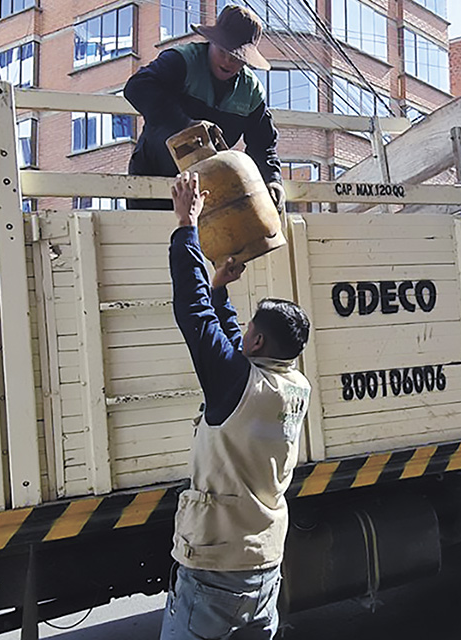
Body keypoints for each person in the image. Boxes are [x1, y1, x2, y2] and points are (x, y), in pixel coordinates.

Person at [161, 172, 311, 640]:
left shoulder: (238, 382)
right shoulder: (293, 386)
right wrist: (221, 288)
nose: (239, 333)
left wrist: (187, 226)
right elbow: (231, 347)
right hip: (263, 561)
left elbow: (193, 312)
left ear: (259, 340)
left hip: (215, 568)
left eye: (247, 328)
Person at [124, 6, 283, 211]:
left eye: (237, 57)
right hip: (154, 175)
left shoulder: (251, 92)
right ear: (212, 42)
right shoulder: (181, 61)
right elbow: (137, 86)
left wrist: (272, 179)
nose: (228, 61)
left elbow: (263, 145)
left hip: (207, 190)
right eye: (223, 51)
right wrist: (185, 125)